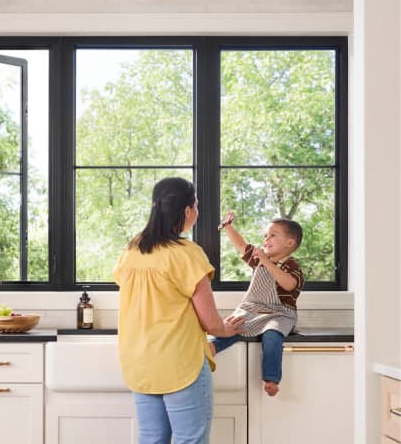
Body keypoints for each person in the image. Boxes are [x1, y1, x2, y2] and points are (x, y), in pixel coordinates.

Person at [113, 177, 244, 444]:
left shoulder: (133, 249)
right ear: (186, 210)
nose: (197, 211)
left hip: (141, 362)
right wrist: (226, 329)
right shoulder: (187, 253)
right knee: (190, 439)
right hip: (180, 362)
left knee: (151, 439)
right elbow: (210, 322)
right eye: (195, 205)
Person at [211, 211, 304, 397]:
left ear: (289, 243)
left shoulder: (291, 265)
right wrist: (228, 227)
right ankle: (211, 347)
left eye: (273, 235)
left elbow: (289, 284)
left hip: (280, 313)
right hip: (253, 310)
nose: (266, 239)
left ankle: (271, 378)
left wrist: (266, 262)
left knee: (272, 334)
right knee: (234, 326)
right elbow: (241, 246)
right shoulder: (260, 258)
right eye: (265, 235)